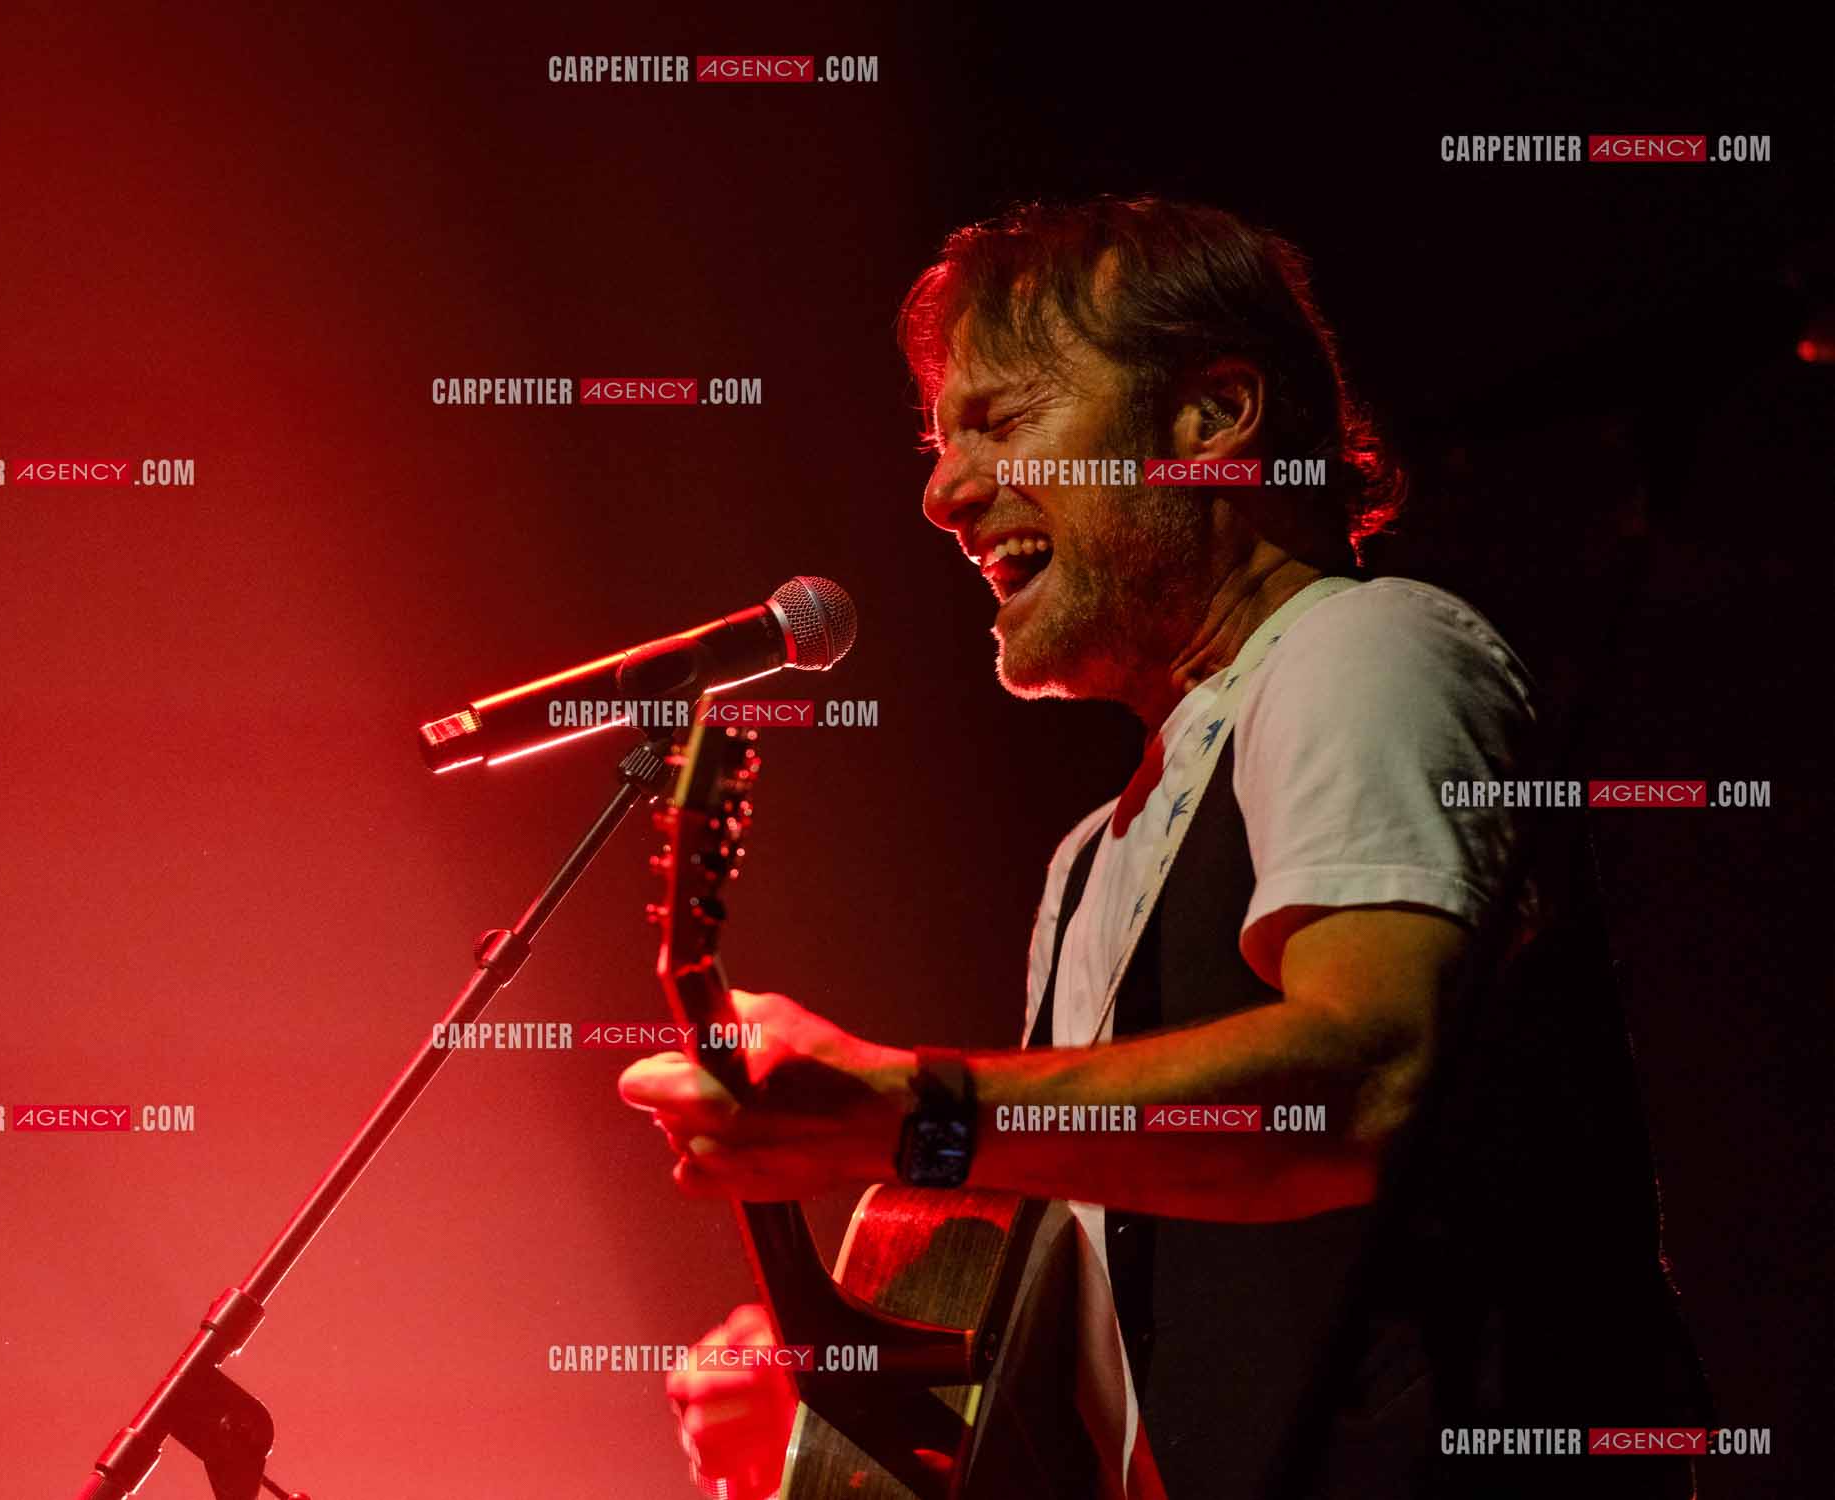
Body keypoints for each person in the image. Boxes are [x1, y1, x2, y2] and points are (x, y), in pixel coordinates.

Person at [620, 197, 1706, 1498]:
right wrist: (833, 1417)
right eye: (939, 440)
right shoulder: (1096, 854)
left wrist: (901, 1115)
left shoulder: (1360, 651)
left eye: (1002, 420)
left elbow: (1361, 1086)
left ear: (1211, 418)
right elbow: (1112, 1369)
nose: (943, 494)